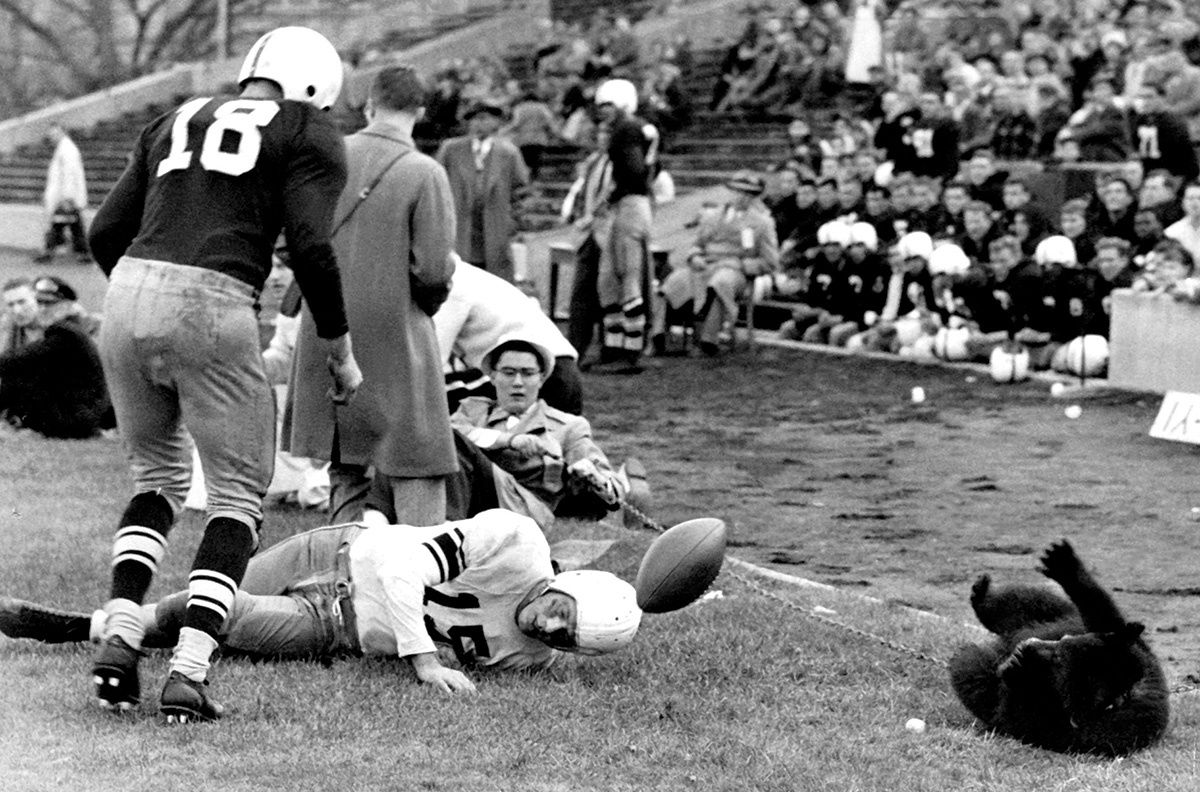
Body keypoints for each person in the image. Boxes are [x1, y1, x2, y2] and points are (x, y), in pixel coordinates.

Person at [85, 26, 364, 723]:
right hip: (213, 302)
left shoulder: (173, 116)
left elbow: (102, 234)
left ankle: (120, 637)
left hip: (125, 294)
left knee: (156, 481)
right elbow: (311, 246)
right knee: (237, 497)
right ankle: (188, 671)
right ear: (315, 86)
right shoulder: (307, 127)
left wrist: (141, 298)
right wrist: (339, 348)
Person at [0, 509, 643, 692]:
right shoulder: (516, 542)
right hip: (340, 553)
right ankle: (101, 628)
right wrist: (425, 662)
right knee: (214, 588)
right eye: (563, 611)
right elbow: (399, 570)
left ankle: (68, 627)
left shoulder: (533, 659)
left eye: (565, 638)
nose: (550, 627)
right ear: (567, 583)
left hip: (336, 625)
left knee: (227, 618)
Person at [285, 64, 457, 529]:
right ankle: (421, 572)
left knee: (347, 461)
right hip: (397, 328)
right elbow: (434, 271)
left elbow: (290, 242)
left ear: (368, 105)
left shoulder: (326, 155)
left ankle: (344, 569)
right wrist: (428, 304)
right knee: (419, 462)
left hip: (328, 325)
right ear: (419, 112)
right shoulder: (425, 171)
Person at [450, 336, 647, 527]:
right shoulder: (471, 410)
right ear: (493, 377)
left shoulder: (568, 426)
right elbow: (451, 435)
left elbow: (608, 486)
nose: (518, 382)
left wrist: (595, 479)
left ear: (541, 379)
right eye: (508, 373)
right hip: (473, 500)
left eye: (527, 373)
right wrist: (509, 440)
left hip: (525, 511)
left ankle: (448, 526)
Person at [652, 170, 778, 357]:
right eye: (737, 191)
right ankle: (658, 337)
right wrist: (695, 257)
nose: (740, 197)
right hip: (705, 265)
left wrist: (743, 265)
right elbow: (696, 245)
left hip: (734, 270)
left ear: (754, 197)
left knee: (721, 282)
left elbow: (770, 261)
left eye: (747, 193)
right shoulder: (712, 216)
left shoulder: (762, 223)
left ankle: (707, 340)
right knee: (673, 282)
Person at [435, 256, 583, 415]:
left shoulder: (453, 286)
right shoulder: (467, 276)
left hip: (545, 373)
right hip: (550, 370)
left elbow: (432, 359)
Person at [592, 78, 657, 374]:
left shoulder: (626, 129)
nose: (603, 110)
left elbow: (634, 170)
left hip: (630, 204)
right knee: (609, 280)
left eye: (608, 104)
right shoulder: (637, 127)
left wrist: (611, 194)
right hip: (630, 204)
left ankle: (630, 351)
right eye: (601, 105)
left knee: (627, 276)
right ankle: (615, 344)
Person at [0, 275, 114, 439]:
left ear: (68, 306)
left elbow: (17, 360)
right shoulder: (54, 332)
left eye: (51, 304)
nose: (44, 309)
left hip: (81, 417)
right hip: (77, 410)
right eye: (40, 303)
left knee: (19, 378)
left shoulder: (66, 335)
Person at [436, 100, 531, 283]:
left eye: (485, 119)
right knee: (458, 283)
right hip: (459, 229)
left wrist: (511, 223)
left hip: (495, 230)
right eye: (474, 119)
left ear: (496, 122)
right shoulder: (451, 150)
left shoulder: (509, 153)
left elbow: (522, 192)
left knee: (493, 285)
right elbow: (436, 187)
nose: (480, 124)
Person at [34, 123, 90, 265]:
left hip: (65, 197)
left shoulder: (67, 150)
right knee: (74, 225)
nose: (52, 138)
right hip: (65, 196)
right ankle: (82, 252)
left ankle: (49, 251)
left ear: (62, 133)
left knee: (59, 224)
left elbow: (69, 175)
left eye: (55, 134)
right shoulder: (64, 149)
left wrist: (67, 196)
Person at [1, 277, 42, 354]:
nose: (17, 311)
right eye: (11, 305)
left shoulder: (60, 328)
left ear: (37, 300)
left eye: (22, 302)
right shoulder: (8, 327)